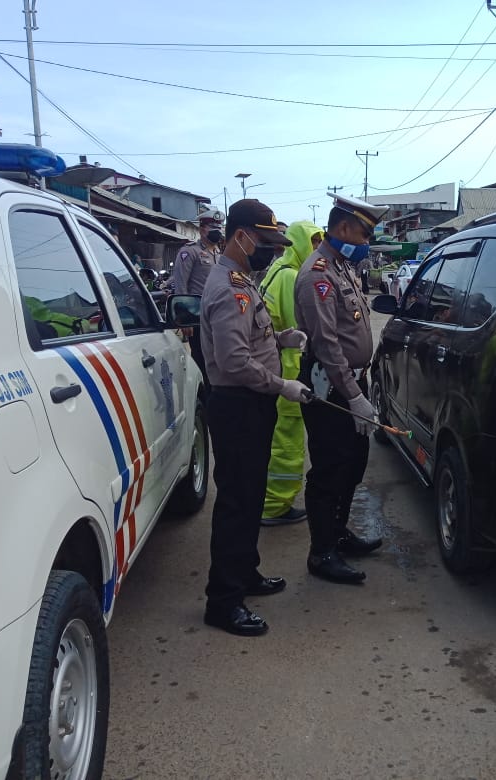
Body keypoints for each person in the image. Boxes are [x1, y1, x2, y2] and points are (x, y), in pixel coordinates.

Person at [200, 199, 311, 636]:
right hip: (239, 404)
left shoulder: (244, 279)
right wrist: (283, 385)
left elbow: (248, 336)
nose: (271, 249)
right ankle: (223, 601)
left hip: (249, 403)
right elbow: (233, 362)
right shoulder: (230, 286)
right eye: (265, 241)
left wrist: (282, 337)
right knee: (236, 504)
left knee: (249, 497)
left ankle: (245, 573)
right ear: (242, 235)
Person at [294, 193, 388, 584]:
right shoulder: (318, 275)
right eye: (364, 232)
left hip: (350, 383)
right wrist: (352, 395)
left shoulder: (343, 268)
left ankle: (338, 532)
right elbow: (328, 345)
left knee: (354, 463)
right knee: (330, 469)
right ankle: (322, 552)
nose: (367, 241)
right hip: (331, 387)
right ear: (344, 227)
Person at [258, 220, 324, 526]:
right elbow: (298, 324)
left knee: (278, 439)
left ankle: (272, 501)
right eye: (311, 242)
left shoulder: (277, 270)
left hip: (277, 363)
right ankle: (275, 506)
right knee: (287, 443)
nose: (315, 249)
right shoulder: (290, 277)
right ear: (298, 243)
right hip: (287, 368)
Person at [173, 209, 224, 391]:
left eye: (219, 226)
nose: (217, 230)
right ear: (202, 229)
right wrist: (184, 317)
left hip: (218, 317)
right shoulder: (189, 252)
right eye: (213, 227)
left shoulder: (219, 254)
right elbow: (180, 284)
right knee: (204, 363)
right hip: (198, 318)